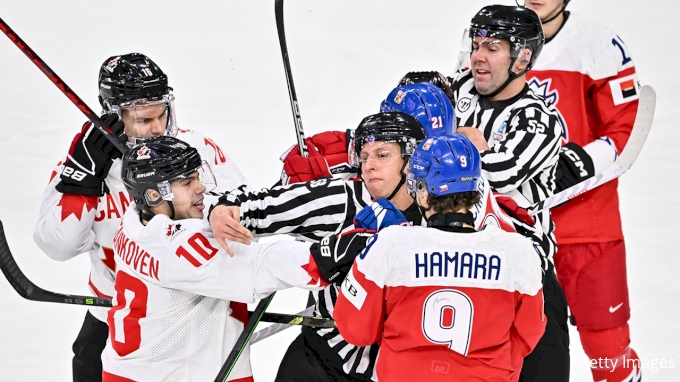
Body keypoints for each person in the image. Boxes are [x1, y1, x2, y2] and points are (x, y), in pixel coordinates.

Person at [209, 107, 519, 381]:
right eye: (364, 155)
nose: (369, 165)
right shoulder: (341, 198)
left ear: (412, 161)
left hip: (396, 370)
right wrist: (223, 210)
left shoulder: (447, 211)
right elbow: (258, 207)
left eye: (383, 154)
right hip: (320, 361)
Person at [33, 53, 248, 382]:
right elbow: (57, 247)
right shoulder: (88, 163)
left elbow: (249, 220)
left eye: (162, 115)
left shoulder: (197, 149)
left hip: (192, 323)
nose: (159, 128)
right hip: (114, 323)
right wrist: (81, 183)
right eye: (144, 120)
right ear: (112, 116)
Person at [102, 136, 365, 382]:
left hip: (138, 367)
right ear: (153, 194)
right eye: (187, 182)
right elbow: (262, 266)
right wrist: (335, 251)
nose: (201, 188)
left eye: (197, 177)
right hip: (170, 375)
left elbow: (211, 214)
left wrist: (289, 196)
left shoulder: (135, 219)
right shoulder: (180, 249)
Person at [334, 134, 546, 381]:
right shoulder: (518, 251)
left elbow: (355, 330)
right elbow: (528, 335)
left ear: (424, 193)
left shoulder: (389, 244)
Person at [445, 5, 569, 381]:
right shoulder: (455, 91)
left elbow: (501, 174)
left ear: (523, 58)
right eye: (477, 44)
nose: (478, 56)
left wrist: (469, 151)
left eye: (493, 47)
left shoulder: (539, 120)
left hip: (523, 274)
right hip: (452, 264)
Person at [521, 1, 642, 380]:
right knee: (520, 347)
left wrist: (582, 162)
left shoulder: (599, 45)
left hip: (588, 225)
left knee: (608, 349)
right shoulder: (493, 37)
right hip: (516, 225)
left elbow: (627, 126)